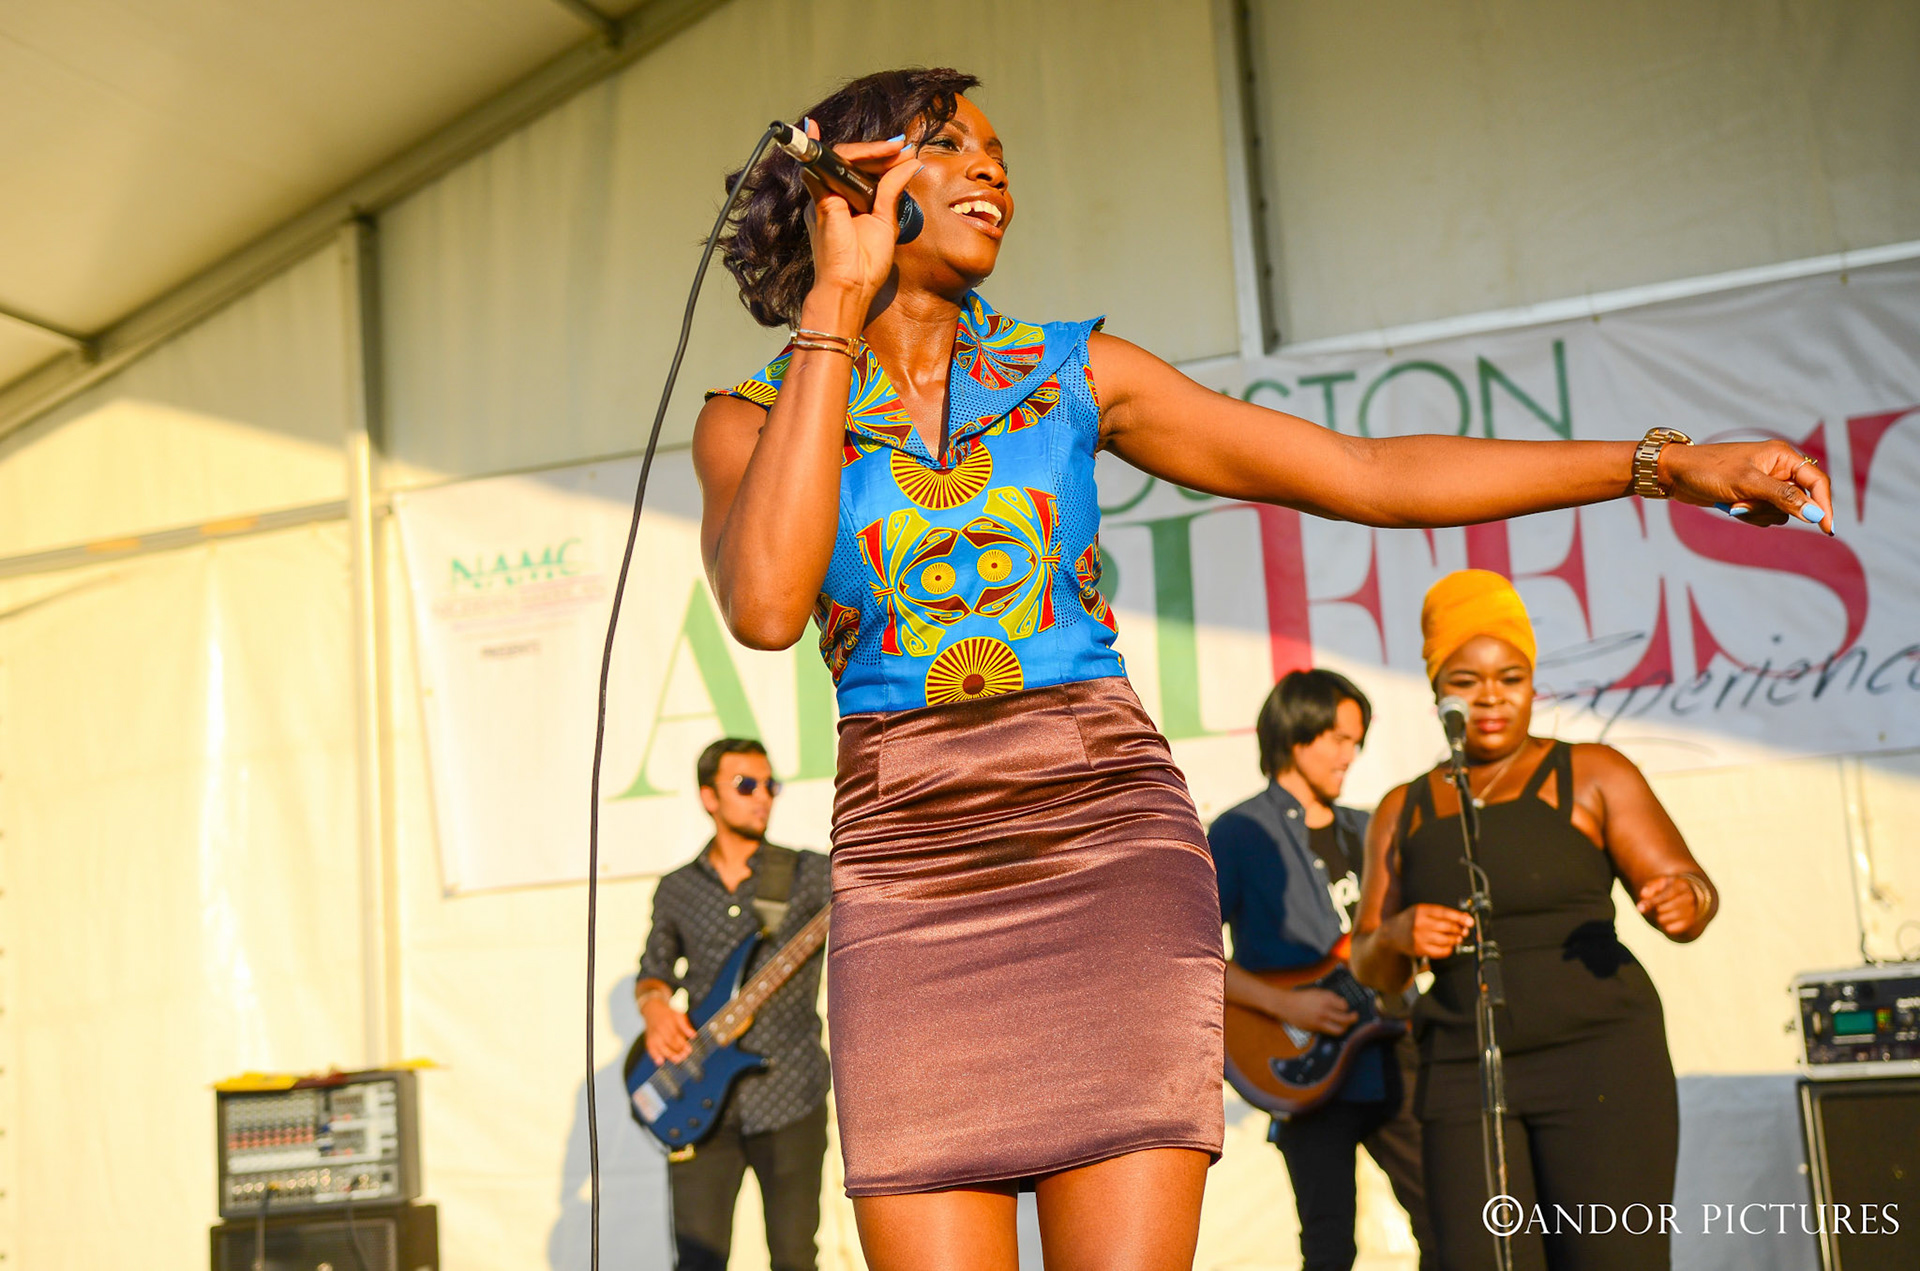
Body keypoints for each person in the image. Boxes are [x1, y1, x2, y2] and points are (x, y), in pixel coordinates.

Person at [689, 65, 1824, 1270]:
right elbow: (764, 607)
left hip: (1106, 849)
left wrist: (1662, 464)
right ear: (851, 181)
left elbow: (1367, 474)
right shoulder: (750, 419)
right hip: (909, 874)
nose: (993, 171)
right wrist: (836, 302)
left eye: (1000, 154)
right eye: (950, 144)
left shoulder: (1071, 372)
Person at [1349, 571, 1720, 1271]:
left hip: (1601, 1059)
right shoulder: (1404, 808)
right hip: (1461, 1069)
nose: (1491, 697)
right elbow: (1369, 962)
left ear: (1531, 683)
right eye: (1466, 680)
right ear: (1436, 689)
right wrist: (1397, 935)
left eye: (1510, 678)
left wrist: (1684, 900)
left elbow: (1690, 888)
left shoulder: (1594, 773)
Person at [1210, 670, 1436, 1271]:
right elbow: (1190, 953)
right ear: (1295, 733)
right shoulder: (1238, 833)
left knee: (1448, 1222)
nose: (1349, 754)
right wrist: (1287, 1004)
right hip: (1302, 1067)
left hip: (1393, 1054)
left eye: (1356, 741)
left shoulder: (1371, 827)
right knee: (1330, 1245)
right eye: (1337, 738)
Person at [634, 738, 831, 1271]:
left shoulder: (810, 873)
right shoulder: (677, 888)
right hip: (696, 1098)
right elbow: (654, 973)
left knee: (795, 1260)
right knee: (697, 1262)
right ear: (709, 797)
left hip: (790, 1093)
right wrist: (655, 1009)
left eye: (771, 785)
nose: (763, 796)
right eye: (746, 785)